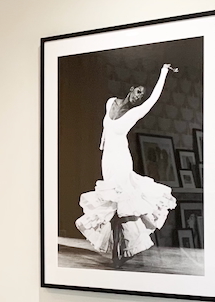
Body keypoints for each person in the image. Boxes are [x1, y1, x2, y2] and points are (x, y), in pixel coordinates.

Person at [76, 64, 178, 264]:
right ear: (131, 90)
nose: (139, 97)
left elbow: (154, 98)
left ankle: (121, 251)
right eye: (138, 92)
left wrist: (163, 72)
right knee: (110, 204)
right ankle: (118, 249)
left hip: (122, 160)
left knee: (122, 205)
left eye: (142, 96)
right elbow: (106, 130)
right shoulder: (110, 103)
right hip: (108, 160)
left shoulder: (135, 113)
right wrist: (102, 147)